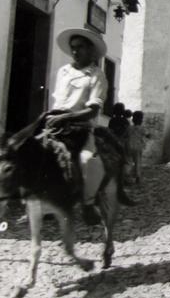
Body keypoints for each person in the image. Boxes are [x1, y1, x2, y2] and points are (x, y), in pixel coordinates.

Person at [44, 27, 109, 225]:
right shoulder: (63, 72)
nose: (75, 51)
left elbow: (93, 111)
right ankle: (44, 202)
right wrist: (50, 119)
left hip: (81, 129)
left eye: (80, 47)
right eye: (73, 48)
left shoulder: (96, 75)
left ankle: (88, 203)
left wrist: (66, 118)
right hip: (56, 126)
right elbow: (57, 102)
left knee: (86, 161)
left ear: (91, 51)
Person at [125, 110, 145, 184]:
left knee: (129, 162)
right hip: (138, 147)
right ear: (141, 120)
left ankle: (127, 176)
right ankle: (138, 177)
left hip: (129, 146)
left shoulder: (129, 128)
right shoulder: (142, 128)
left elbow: (126, 135)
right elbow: (147, 135)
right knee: (137, 162)